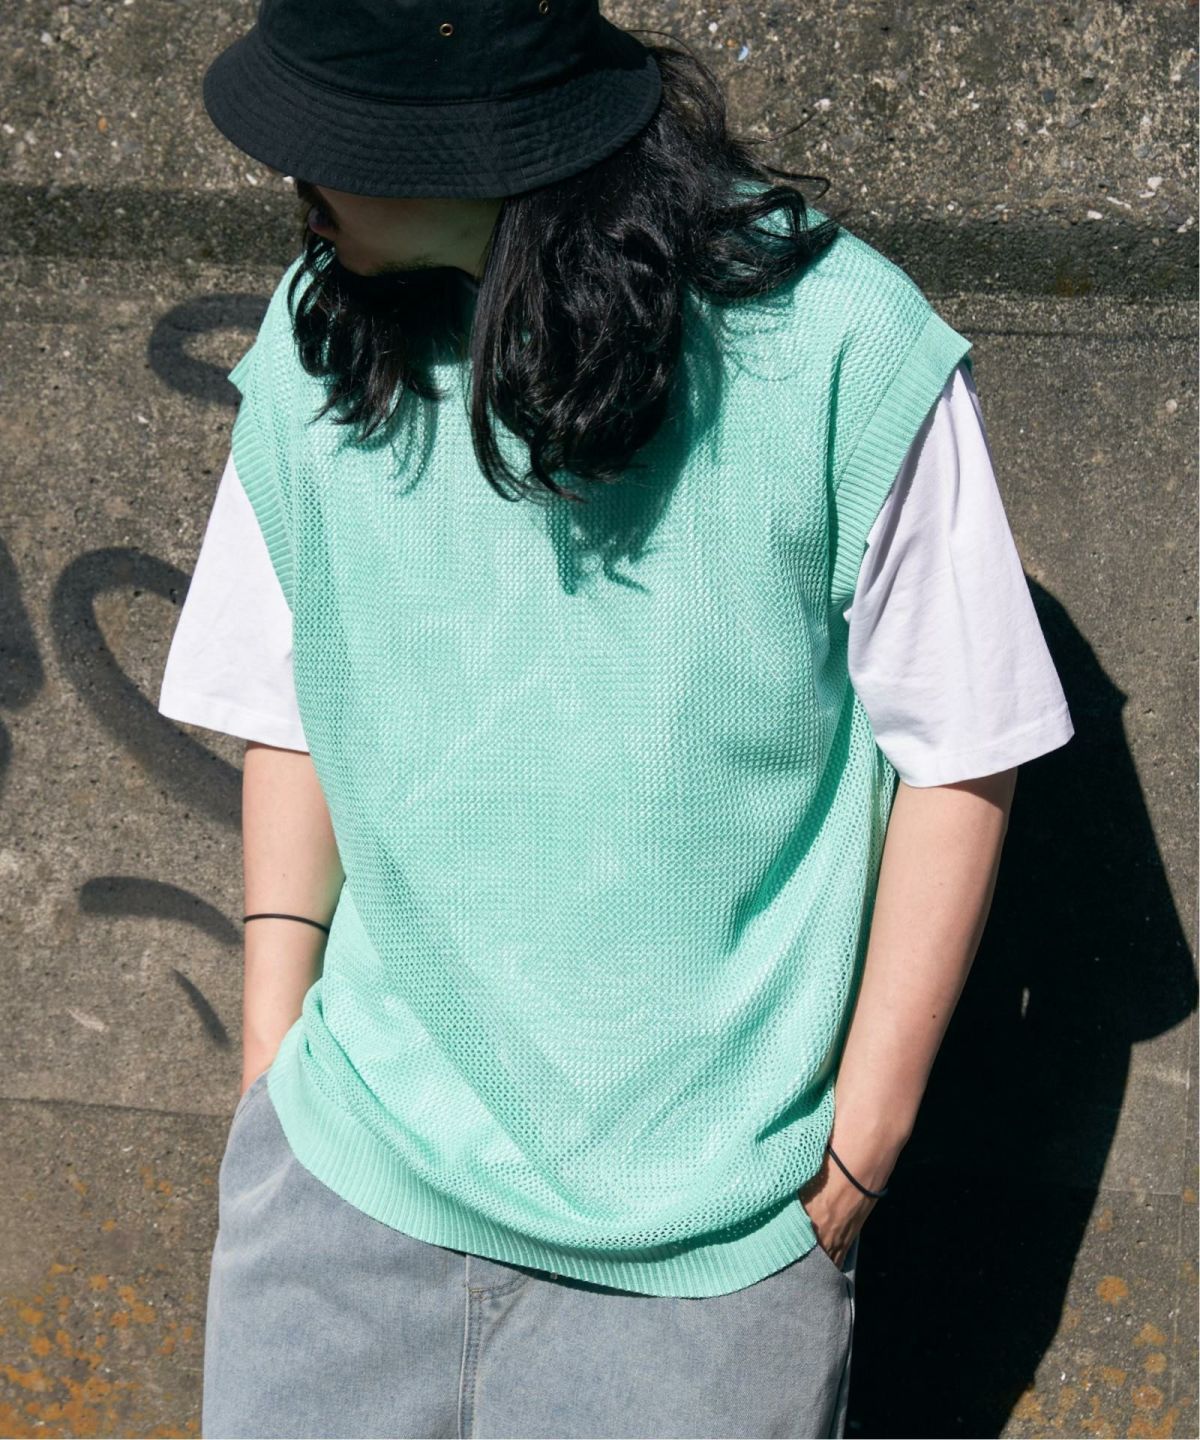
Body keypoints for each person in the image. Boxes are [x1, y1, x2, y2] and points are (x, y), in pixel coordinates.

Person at [161, 0, 1076, 1435]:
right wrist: (272, 1055)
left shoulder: (840, 342)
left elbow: (964, 748)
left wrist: (860, 1152)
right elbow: (289, 693)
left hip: (703, 1268)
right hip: (342, 1199)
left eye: (331, 140)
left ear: (476, 145)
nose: (291, 176)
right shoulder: (324, 332)